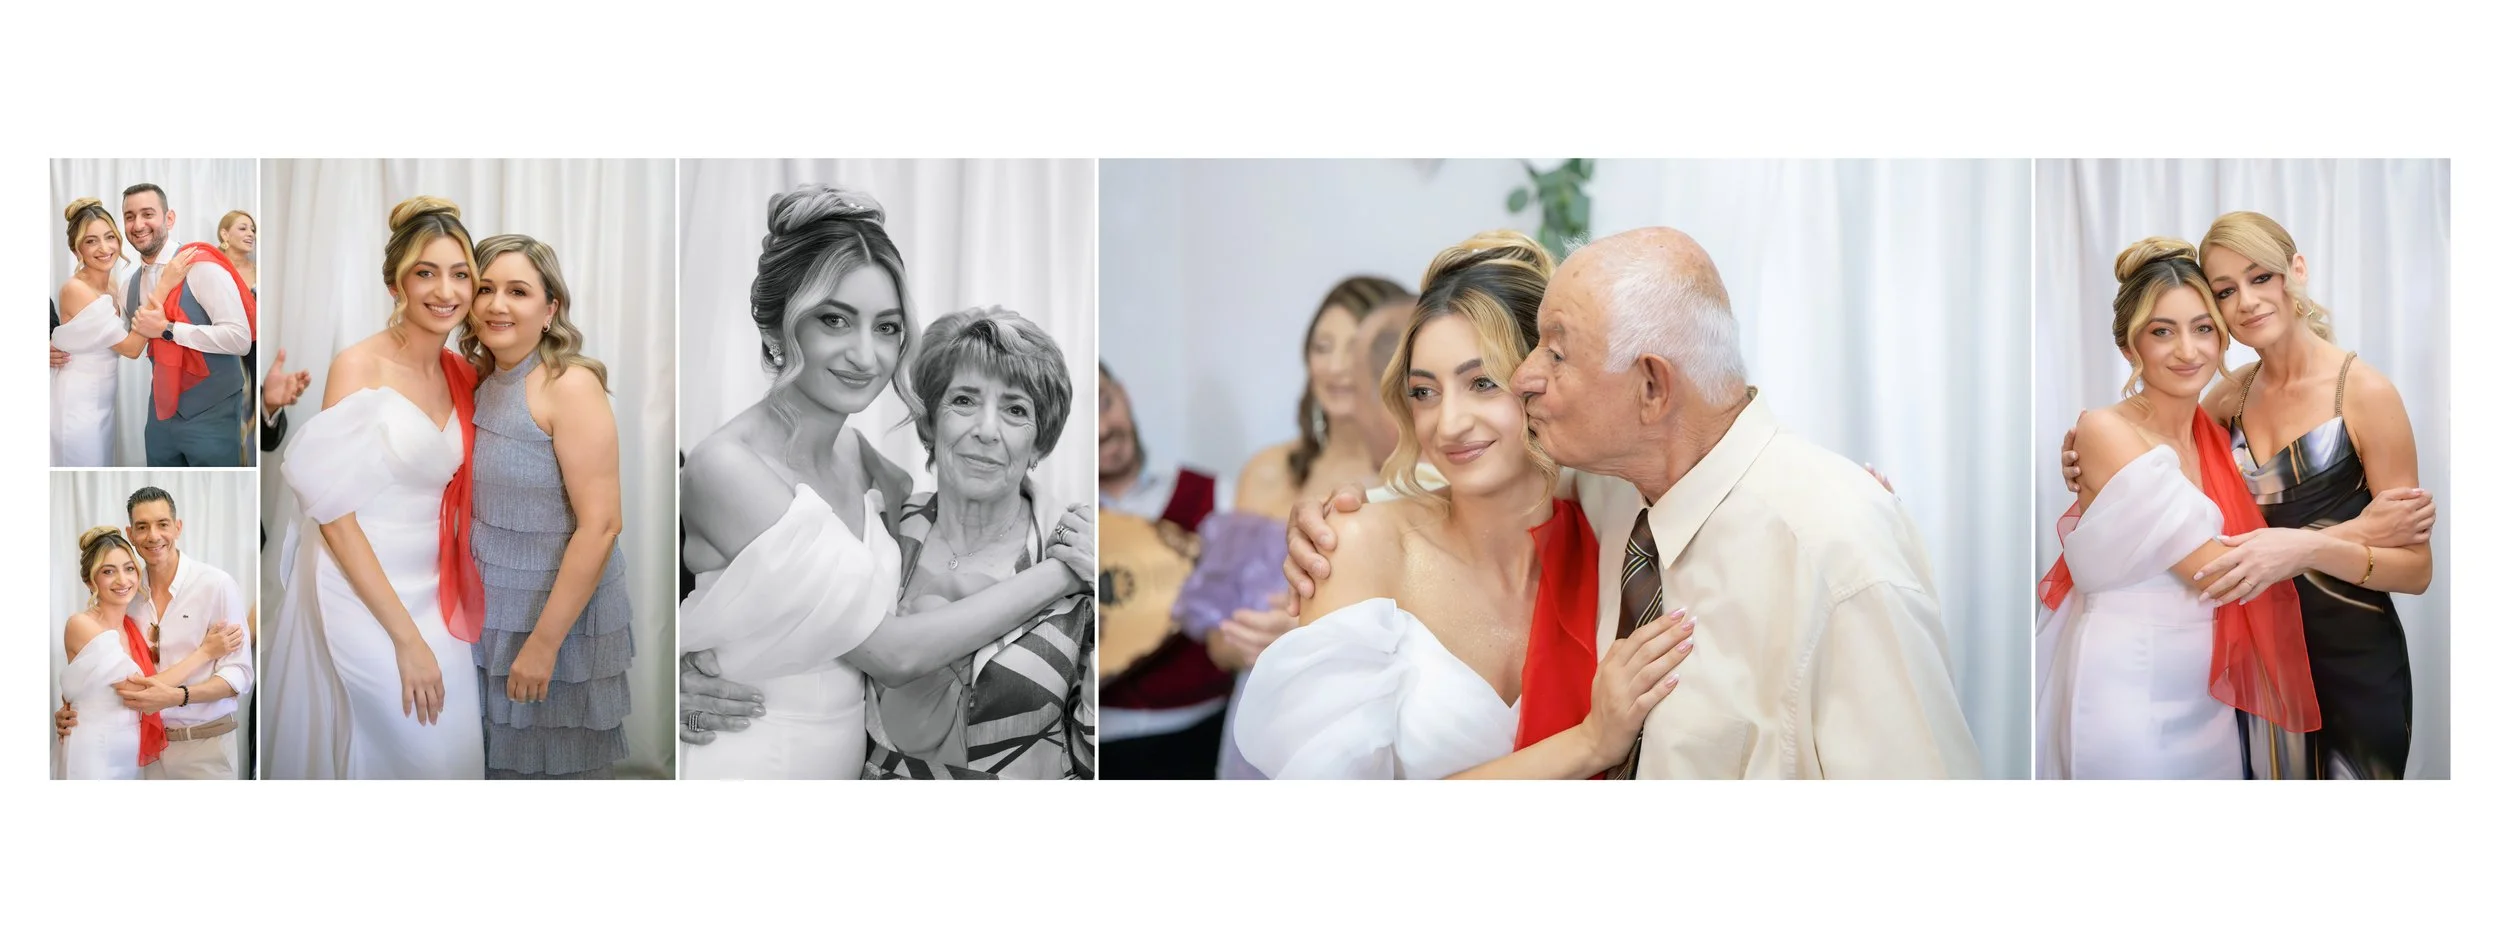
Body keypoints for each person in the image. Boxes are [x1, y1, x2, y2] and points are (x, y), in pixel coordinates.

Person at [1287, 227, 1983, 778]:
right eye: (1423, 391)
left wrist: (1847, 519)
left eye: (1552, 357)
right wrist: (1331, 519)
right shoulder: (1612, 497)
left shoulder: (1831, 543)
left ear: (1650, 388)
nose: (1528, 379)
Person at [1236, 231, 1694, 779]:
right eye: (1424, 391)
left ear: (1543, 382)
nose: (1448, 424)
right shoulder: (1359, 544)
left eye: (1482, 382)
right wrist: (1591, 742)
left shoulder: (1611, 534)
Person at [676, 185, 1089, 779]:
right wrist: (1064, 571)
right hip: (750, 755)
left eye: (887, 327)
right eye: (834, 320)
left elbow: (951, 515)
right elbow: (892, 653)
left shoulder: (866, 463)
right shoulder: (727, 468)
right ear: (775, 326)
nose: (866, 355)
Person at [2060, 211, 2436, 778]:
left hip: (2350, 658)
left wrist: (2305, 549)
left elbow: (2415, 569)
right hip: (2255, 664)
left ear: (2297, 271)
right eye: (2226, 291)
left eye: (2262, 278)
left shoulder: (2363, 394)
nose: (2248, 302)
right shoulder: (2226, 401)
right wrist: (2086, 461)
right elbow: (2161, 461)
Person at [2035, 238, 2317, 779]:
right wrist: (2350, 537)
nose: (2188, 350)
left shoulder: (2213, 432)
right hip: (2126, 684)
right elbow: (2217, 571)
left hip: (2207, 692)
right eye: (2162, 331)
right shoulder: (2103, 431)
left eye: (2203, 328)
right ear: (2128, 347)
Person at [262, 196, 488, 779]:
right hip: (360, 584)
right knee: (415, 746)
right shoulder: (358, 365)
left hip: (435, 586)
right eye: (425, 273)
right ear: (396, 283)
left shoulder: (462, 372)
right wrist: (406, 640)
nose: (446, 291)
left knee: (455, 750)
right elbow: (335, 518)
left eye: (460, 275)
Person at [858, 307, 1096, 779]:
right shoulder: (876, 530)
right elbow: (799, 657)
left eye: (1015, 410)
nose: (986, 430)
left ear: (1040, 441)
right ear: (930, 423)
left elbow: (1096, 754)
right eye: (964, 400)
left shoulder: (1078, 550)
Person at [460, 233, 636, 779]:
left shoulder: (570, 384)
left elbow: (602, 526)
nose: (497, 304)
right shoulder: (483, 380)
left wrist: (543, 645)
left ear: (550, 306)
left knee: (554, 769)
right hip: (490, 610)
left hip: (554, 618)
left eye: (518, 290)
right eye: (485, 288)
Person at [1097, 362, 1234, 778]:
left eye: (1105, 403)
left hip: (1204, 735)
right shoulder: (1051, 520)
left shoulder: (1215, 496)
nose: (1102, 429)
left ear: (1124, 394)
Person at [57, 512, 249, 780]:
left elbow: (240, 674)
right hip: (96, 752)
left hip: (139, 753)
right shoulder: (81, 624)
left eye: (129, 568)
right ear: (90, 581)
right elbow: (138, 691)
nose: (123, 580)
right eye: (108, 571)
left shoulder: (131, 622)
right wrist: (205, 652)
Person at [1232, 276, 1414, 518]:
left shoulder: (1415, 481)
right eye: (1323, 347)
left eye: (1354, 348)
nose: (1335, 367)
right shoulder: (1266, 471)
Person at [120, 183, 255, 467]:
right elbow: (129, 345)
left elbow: (240, 339)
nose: (138, 224)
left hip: (214, 413)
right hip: (159, 414)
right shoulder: (128, 286)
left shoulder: (202, 265)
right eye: (130, 216)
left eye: (147, 214)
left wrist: (169, 329)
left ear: (169, 218)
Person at [53, 199, 148, 466]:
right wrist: (163, 289)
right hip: (76, 403)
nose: (105, 248)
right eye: (91, 241)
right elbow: (130, 348)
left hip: (102, 401)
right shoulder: (75, 290)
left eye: (109, 238)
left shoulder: (113, 284)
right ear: (77, 249)